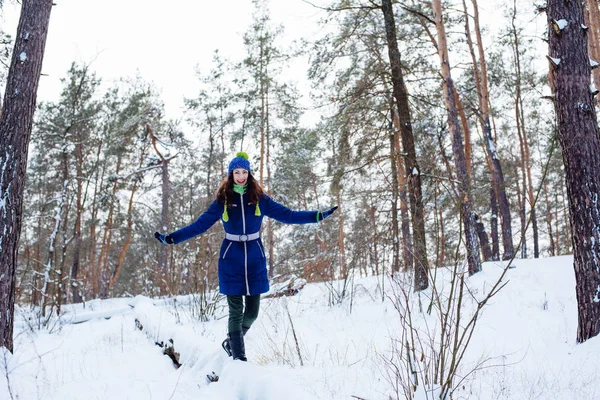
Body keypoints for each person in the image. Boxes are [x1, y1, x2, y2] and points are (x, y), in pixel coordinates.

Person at [154, 151, 337, 361]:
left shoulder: (258, 199)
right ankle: (239, 359)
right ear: (230, 174)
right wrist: (172, 239)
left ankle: (230, 343)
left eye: (244, 172)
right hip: (231, 258)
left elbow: (288, 215)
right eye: (236, 172)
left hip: (255, 258)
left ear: (249, 174)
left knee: (252, 313)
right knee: (236, 311)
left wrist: (316, 216)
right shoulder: (222, 201)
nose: (240, 176)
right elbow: (199, 226)